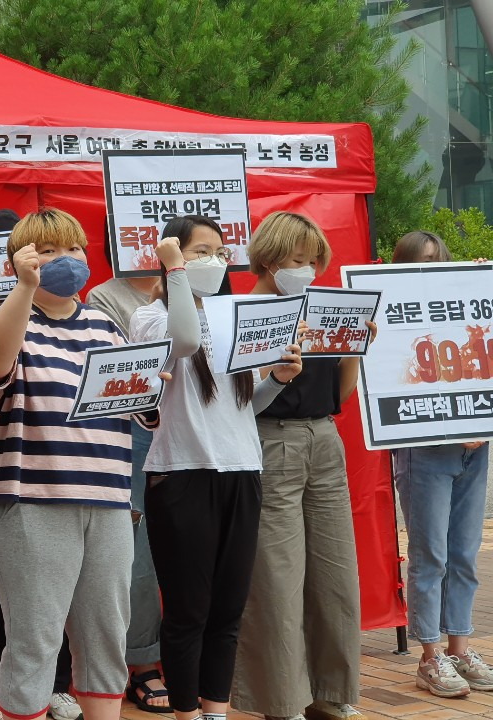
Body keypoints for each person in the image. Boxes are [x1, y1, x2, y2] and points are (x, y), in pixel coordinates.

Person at [130, 216, 302, 720]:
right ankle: (186, 712)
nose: (215, 261)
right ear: (173, 258)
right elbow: (183, 340)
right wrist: (176, 272)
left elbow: (245, 405)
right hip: (182, 474)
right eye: (201, 251)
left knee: (227, 611)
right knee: (189, 612)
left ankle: (215, 712)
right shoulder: (151, 318)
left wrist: (279, 379)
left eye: (220, 252)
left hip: (242, 471)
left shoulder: (235, 315)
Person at [0, 207, 135, 720]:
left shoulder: (107, 325)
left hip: (108, 504)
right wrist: (22, 287)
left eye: (74, 248)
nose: (67, 260)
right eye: (48, 250)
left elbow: (136, 406)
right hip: (30, 505)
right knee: (34, 642)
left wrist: (147, 381)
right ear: (20, 259)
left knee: (106, 641)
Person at [230, 211, 374, 720]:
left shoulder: (324, 308)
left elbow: (340, 393)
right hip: (270, 443)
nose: (309, 269)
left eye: (315, 261)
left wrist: (355, 347)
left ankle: (332, 694)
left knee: (336, 573)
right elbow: (242, 400)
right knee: (277, 576)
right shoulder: (247, 312)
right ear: (269, 259)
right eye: (298, 260)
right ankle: (283, 700)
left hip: (323, 439)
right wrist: (275, 363)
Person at [0, 209, 82, 720]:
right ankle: (4, 683)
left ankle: (60, 683)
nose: (50, 260)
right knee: (2, 575)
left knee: (67, 583)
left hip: (66, 460)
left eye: (64, 248)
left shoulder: (80, 317)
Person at [390, 231, 493, 697]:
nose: (432, 266)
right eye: (423, 260)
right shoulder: (394, 312)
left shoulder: (464, 300)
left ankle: (460, 646)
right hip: (425, 447)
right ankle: (430, 656)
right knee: (430, 554)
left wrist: (480, 285)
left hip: (474, 446)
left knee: (465, 553)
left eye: (440, 259)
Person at [86, 236, 166, 710]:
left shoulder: (213, 289)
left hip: (200, 433)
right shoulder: (105, 297)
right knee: (137, 551)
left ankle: (192, 654)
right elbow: (129, 373)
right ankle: (143, 662)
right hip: (137, 433)